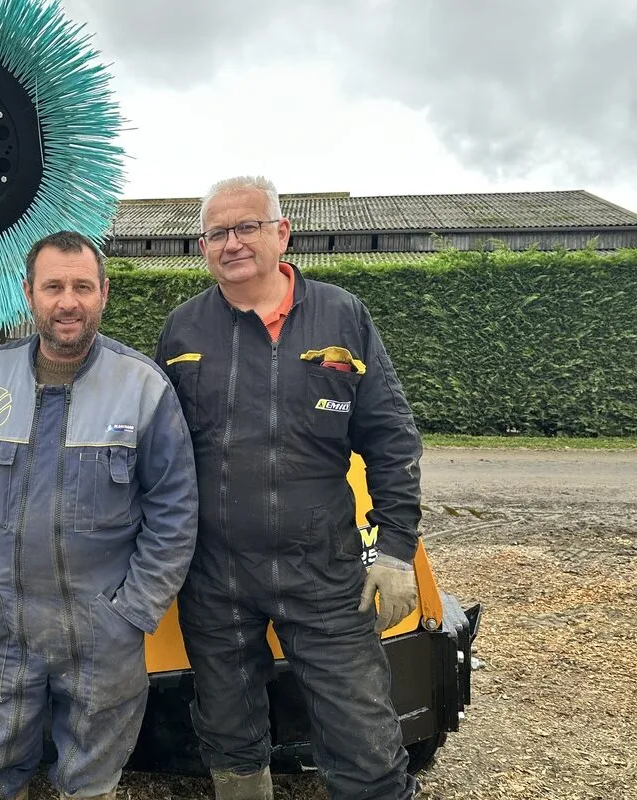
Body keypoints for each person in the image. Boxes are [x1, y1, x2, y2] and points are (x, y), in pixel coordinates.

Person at [154, 176, 423, 800]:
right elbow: (158, 456)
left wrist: (395, 550)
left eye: (246, 227)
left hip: (323, 572)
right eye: (218, 232)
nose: (232, 243)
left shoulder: (341, 316)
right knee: (228, 731)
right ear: (203, 247)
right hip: (214, 575)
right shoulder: (183, 332)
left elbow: (391, 438)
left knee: (363, 733)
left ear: (281, 233)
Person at [0, 230, 199, 800]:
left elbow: (174, 511)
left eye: (83, 286)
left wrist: (134, 609)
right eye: (54, 286)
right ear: (29, 292)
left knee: (90, 783)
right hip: (0, 621)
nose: (68, 301)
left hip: (103, 629)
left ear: (104, 293)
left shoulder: (143, 388)